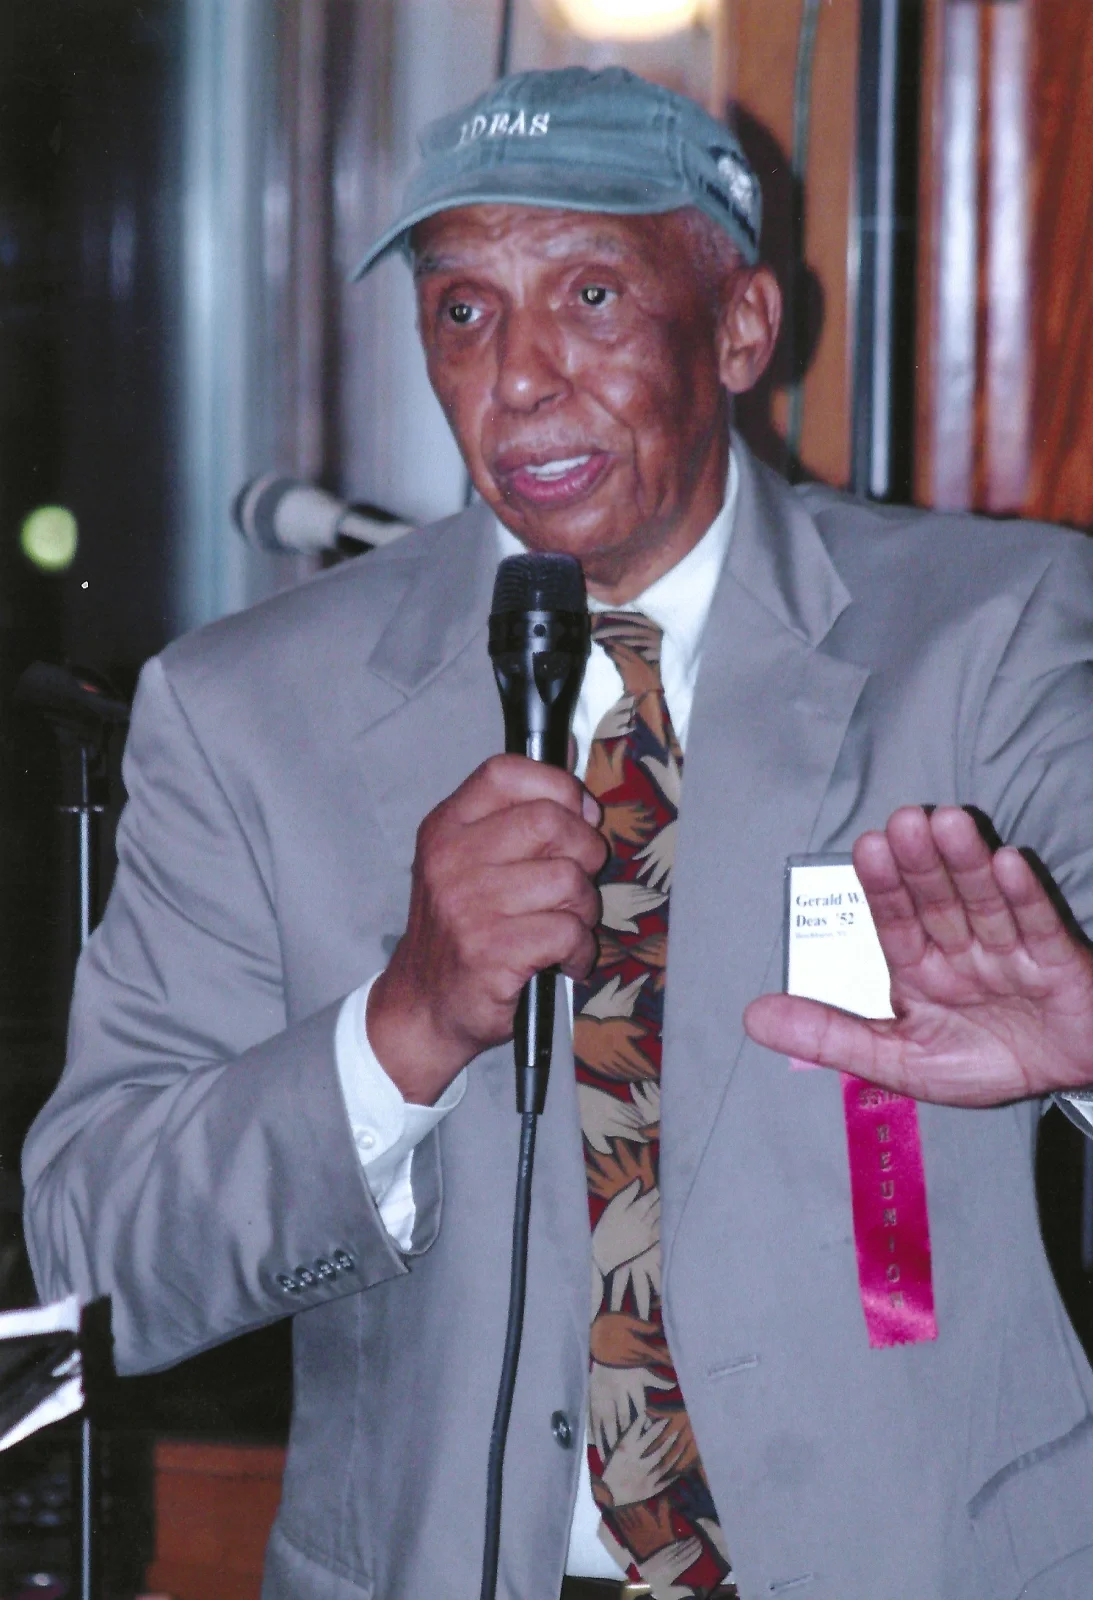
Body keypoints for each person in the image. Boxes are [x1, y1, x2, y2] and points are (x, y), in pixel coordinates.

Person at [21, 66, 1093, 1600]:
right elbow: (96, 1260)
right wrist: (396, 1028)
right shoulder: (247, 715)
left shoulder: (989, 637)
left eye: (590, 295)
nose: (517, 377)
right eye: (462, 312)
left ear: (740, 328)